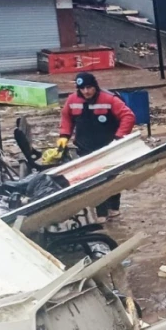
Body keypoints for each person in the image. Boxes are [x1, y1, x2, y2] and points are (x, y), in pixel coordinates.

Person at [57, 72, 136, 220]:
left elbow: (128, 116)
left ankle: (113, 208)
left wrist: (119, 138)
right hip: (85, 148)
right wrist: (64, 136)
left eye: (89, 88)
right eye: (82, 88)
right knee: (94, 182)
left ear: (95, 86)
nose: (86, 91)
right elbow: (66, 117)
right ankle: (101, 213)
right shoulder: (72, 100)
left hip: (108, 148)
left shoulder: (109, 99)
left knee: (111, 179)